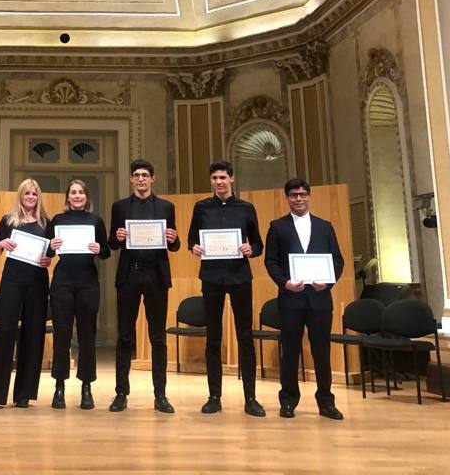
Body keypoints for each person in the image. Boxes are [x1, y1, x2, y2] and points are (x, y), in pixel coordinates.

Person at [188, 159, 265, 417]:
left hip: (240, 277)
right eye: (214, 178)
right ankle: (214, 396)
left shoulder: (246, 208)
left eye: (223, 177)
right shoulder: (201, 207)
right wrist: (195, 248)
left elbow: (257, 243)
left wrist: (250, 249)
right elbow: (191, 239)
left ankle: (250, 398)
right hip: (210, 277)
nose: (219, 182)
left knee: (245, 337)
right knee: (213, 338)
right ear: (211, 182)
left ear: (231, 179)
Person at [264, 178, 345, 420]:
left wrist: (328, 282)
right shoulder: (277, 226)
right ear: (287, 198)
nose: (298, 199)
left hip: (320, 300)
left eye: (302, 194)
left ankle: (326, 402)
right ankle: (288, 400)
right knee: (289, 351)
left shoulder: (325, 226)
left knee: (322, 351)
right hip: (291, 299)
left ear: (309, 197)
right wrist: (285, 282)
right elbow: (271, 261)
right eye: (293, 195)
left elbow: (337, 260)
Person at [108, 159, 180, 413]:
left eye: (145, 175)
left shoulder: (166, 207)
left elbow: (174, 244)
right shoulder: (120, 207)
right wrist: (116, 237)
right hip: (129, 276)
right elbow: (111, 245)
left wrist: (173, 239)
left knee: (158, 338)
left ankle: (160, 394)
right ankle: (120, 393)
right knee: (125, 336)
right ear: (131, 179)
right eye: (136, 175)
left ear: (153, 179)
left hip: (156, 276)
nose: (140, 179)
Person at [0, 178, 51, 409]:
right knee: (5, 333)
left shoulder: (46, 223)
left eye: (34, 194)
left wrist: (49, 259)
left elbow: (50, 254)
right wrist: (1, 244)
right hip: (12, 281)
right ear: (20, 196)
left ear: (38, 196)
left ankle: (24, 394)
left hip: (37, 283)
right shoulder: (8, 220)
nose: (30, 197)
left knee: (33, 335)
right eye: (27, 194)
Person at [46, 179, 111, 410]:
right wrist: (51, 246)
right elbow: (48, 252)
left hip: (87, 283)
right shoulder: (58, 220)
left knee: (87, 336)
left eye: (81, 192)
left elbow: (106, 251)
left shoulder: (96, 221)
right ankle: (59, 387)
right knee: (61, 335)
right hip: (62, 282)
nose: (76, 196)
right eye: (73, 192)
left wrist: (99, 250)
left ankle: (86, 387)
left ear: (87, 197)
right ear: (67, 197)